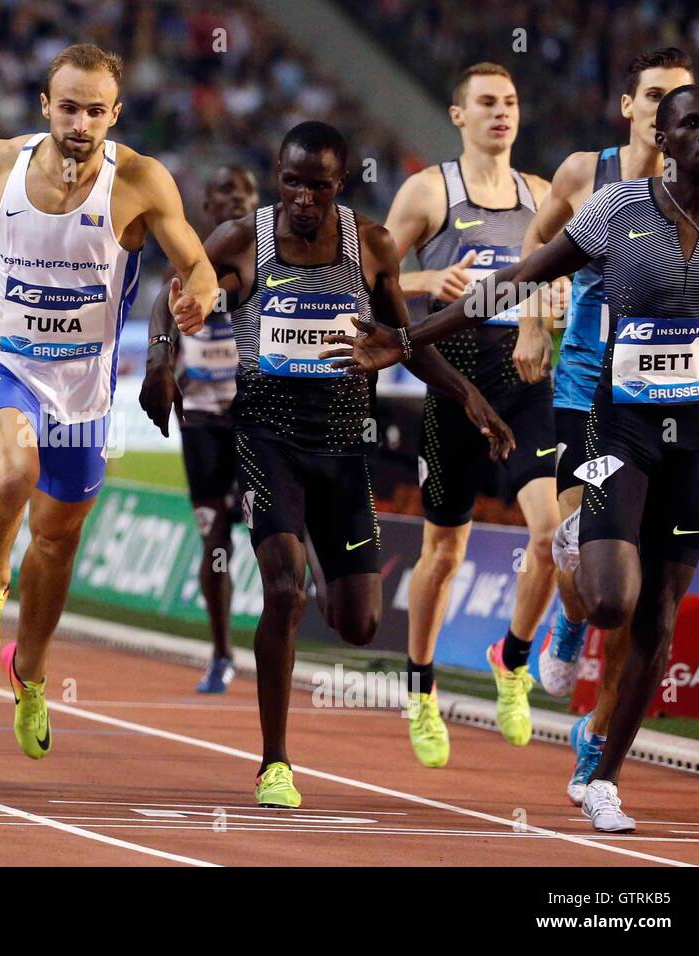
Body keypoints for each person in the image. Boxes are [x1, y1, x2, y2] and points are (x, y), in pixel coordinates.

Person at [325, 85, 699, 833]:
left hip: (697, 440)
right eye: (693, 124)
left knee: (659, 619)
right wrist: (411, 339)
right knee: (610, 601)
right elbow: (514, 280)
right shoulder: (617, 210)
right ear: (663, 139)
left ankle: (603, 777)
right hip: (619, 428)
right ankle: (574, 544)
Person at [196, 121, 513, 807]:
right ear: (277, 176)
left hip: (343, 448)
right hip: (267, 439)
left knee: (360, 623)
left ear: (340, 185)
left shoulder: (371, 245)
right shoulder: (240, 241)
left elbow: (406, 341)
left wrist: (468, 396)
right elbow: (182, 289)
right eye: (291, 181)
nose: (303, 198)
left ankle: (315, 561)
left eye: (318, 184)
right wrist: (168, 344)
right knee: (284, 588)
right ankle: (274, 763)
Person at [0, 44, 219, 759]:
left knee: (56, 545)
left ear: (114, 114)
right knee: (13, 473)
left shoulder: (141, 181)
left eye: (95, 110)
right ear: (45, 106)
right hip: (5, 362)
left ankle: (31, 675)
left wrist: (201, 295)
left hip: (84, 389)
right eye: (68, 106)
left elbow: (197, 262)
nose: (80, 121)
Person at [520, 49, 694, 806]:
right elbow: (535, 250)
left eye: (681, 99)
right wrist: (532, 319)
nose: (667, 111)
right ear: (628, 105)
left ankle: (596, 727)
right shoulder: (583, 174)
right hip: (586, 388)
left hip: (667, 403)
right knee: (581, 568)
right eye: (654, 96)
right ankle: (565, 623)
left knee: (641, 577)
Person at [380, 63, 559, 768]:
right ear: (458, 115)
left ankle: (511, 661)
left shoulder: (542, 194)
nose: (500, 113)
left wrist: (546, 313)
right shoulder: (430, 190)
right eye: (486, 102)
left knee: (552, 536)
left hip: (520, 376)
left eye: (510, 102)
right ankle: (420, 690)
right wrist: (428, 280)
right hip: (452, 382)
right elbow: (373, 272)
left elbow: (560, 271)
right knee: (444, 552)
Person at [139, 164, 259, 693]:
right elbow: (161, 315)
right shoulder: (191, 264)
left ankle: (289, 644)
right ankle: (221, 653)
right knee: (215, 537)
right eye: (224, 192)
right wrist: (161, 366)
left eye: (246, 192)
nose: (236, 200)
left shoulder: (274, 261)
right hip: (206, 424)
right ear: (207, 206)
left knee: (280, 534)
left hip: (260, 422)